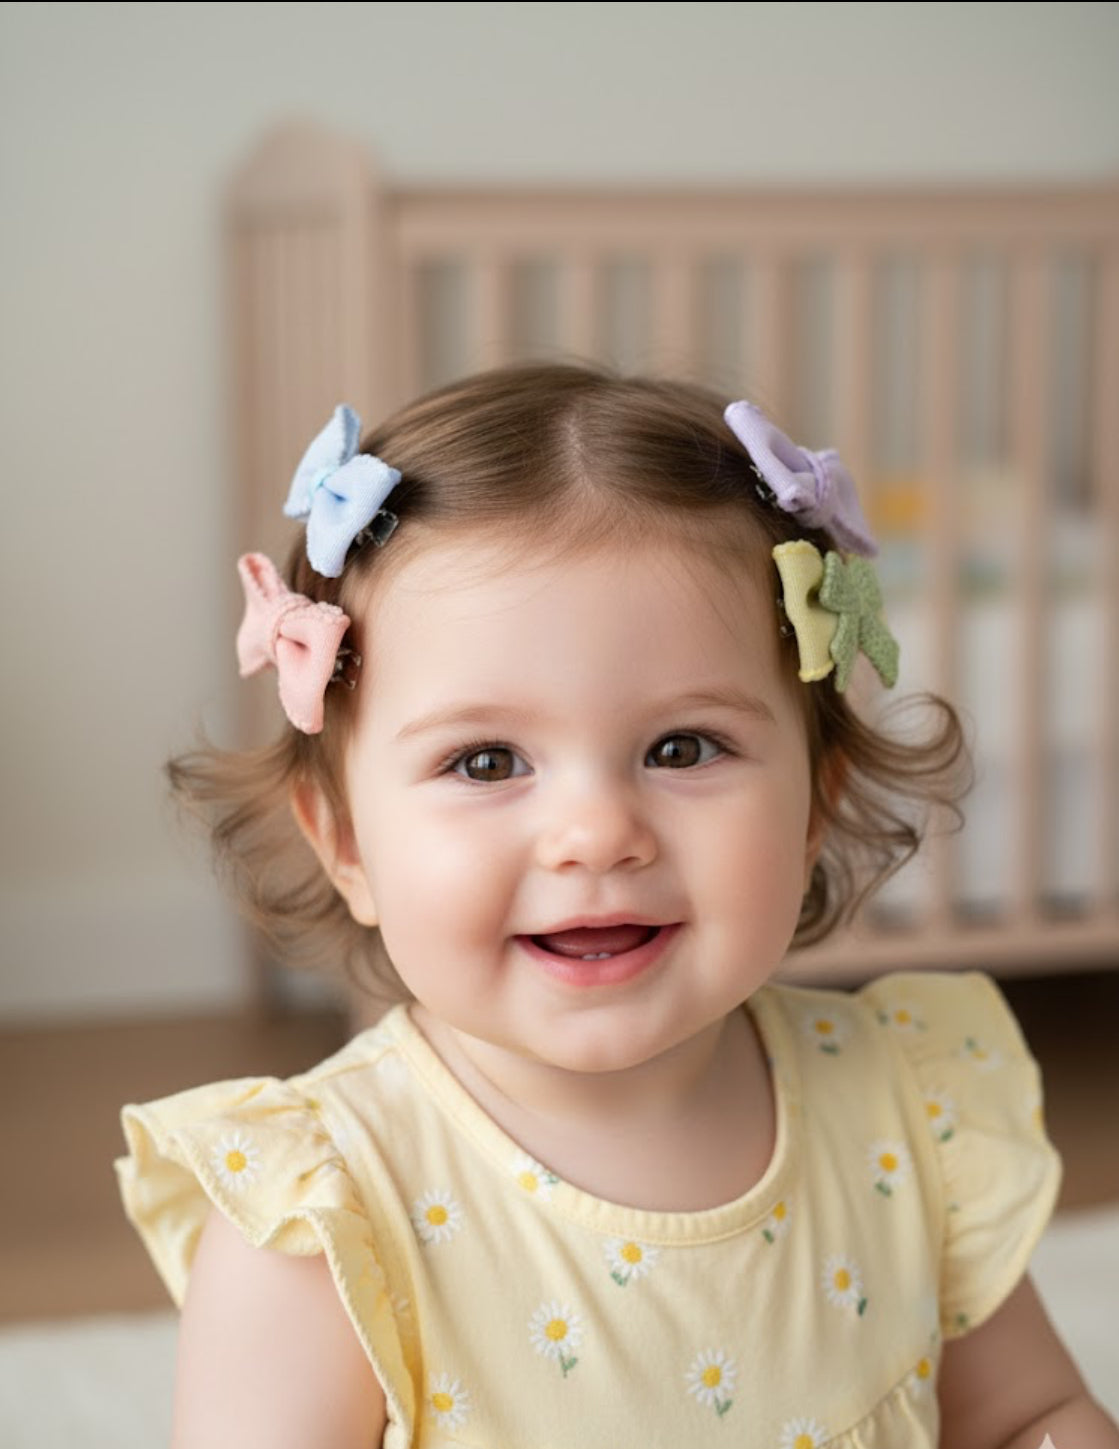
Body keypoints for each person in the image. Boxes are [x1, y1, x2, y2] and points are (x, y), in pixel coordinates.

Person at [117, 363, 1117, 1448]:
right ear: (347, 843)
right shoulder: (323, 1219)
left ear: (816, 804)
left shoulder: (907, 1110)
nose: (596, 834)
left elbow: (1029, 1413)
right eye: (487, 760)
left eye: (681, 747)